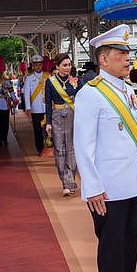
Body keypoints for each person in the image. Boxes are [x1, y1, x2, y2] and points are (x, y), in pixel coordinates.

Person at [74, 24, 137, 272]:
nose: (127, 59)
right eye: (121, 54)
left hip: (130, 182)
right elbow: (83, 144)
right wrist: (92, 188)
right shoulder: (91, 94)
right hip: (106, 188)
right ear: (103, 59)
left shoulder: (127, 89)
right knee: (111, 245)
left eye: (128, 53)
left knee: (129, 242)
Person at [45, 53, 83, 196]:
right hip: (56, 117)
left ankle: (71, 180)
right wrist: (48, 122)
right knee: (60, 150)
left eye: (69, 65)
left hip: (73, 117)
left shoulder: (76, 81)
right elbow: (48, 103)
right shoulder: (50, 82)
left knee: (72, 149)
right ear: (57, 66)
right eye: (64, 65)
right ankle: (65, 183)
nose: (68, 68)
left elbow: (84, 99)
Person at [23, 54, 49, 155]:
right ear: (33, 66)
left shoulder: (48, 76)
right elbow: (27, 93)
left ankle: (49, 147)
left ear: (42, 65)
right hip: (36, 108)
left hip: (47, 107)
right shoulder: (29, 78)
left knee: (48, 129)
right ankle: (40, 149)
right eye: (35, 65)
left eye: (39, 64)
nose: (38, 66)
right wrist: (28, 107)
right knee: (37, 130)